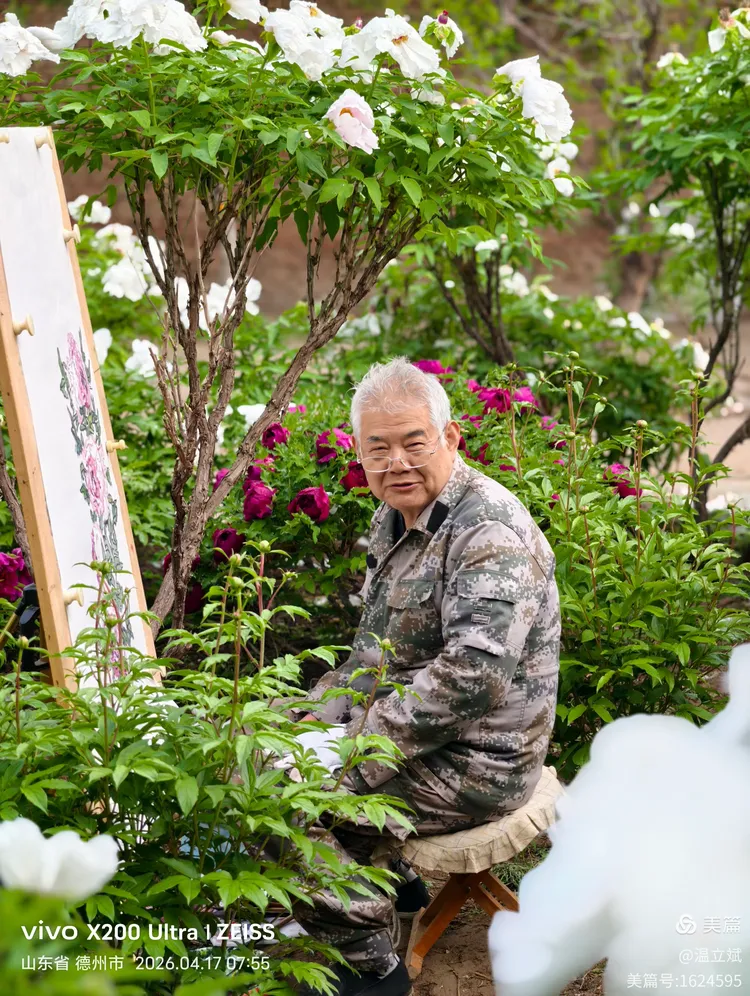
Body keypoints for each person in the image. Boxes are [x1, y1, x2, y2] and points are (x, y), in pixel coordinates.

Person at [294, 357, 561, 996]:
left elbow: (471, 679)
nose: (397, 462)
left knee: (291, 803)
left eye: (415, 443)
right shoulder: (396, 517)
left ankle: (367, 971)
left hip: (483, 760)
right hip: (425, 736)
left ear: (450, 439)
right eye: (377, 448)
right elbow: (373, 658)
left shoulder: (487, 531)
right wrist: (309, 721)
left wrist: (345, 756)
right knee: (258, 747)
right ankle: (396, 889)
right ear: (360, 453)